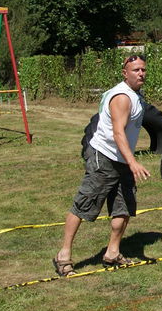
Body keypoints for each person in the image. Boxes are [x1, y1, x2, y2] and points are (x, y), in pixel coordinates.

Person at [53, 55, 151, 276]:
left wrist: (128, 162)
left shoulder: (136, 94)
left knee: (124, 207)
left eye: (143, 70)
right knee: (84, 204)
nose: (141, 73)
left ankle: (112, 253)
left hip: (122, 159)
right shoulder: (122, 97)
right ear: (125, 73)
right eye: (135, 70)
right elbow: (118, 133)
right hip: (105, 158)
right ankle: (63, 255)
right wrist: (133, 162)